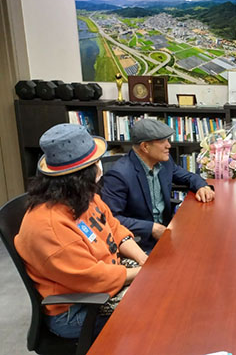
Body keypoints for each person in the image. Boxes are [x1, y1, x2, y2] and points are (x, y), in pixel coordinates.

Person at [15, 124, 148, 339]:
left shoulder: (82, 196)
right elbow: (93, 279)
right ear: (84, 174)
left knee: (165, 282)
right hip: (78, 307)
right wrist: (143, 273)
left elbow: (113, 227)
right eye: (97, 162)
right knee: (155, 308)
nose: (101, 166)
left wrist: (144, 260)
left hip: (107, 275)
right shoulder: (49, 227)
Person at [101, 119, 215, 252]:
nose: (169, 146)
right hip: (139, 243)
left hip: (167, 232)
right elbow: (111, 218)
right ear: (145, 147)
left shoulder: (164, 162)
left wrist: (202, 186)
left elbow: (188, 176)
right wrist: (151, 228)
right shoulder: (119, 175)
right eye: (162, 141)